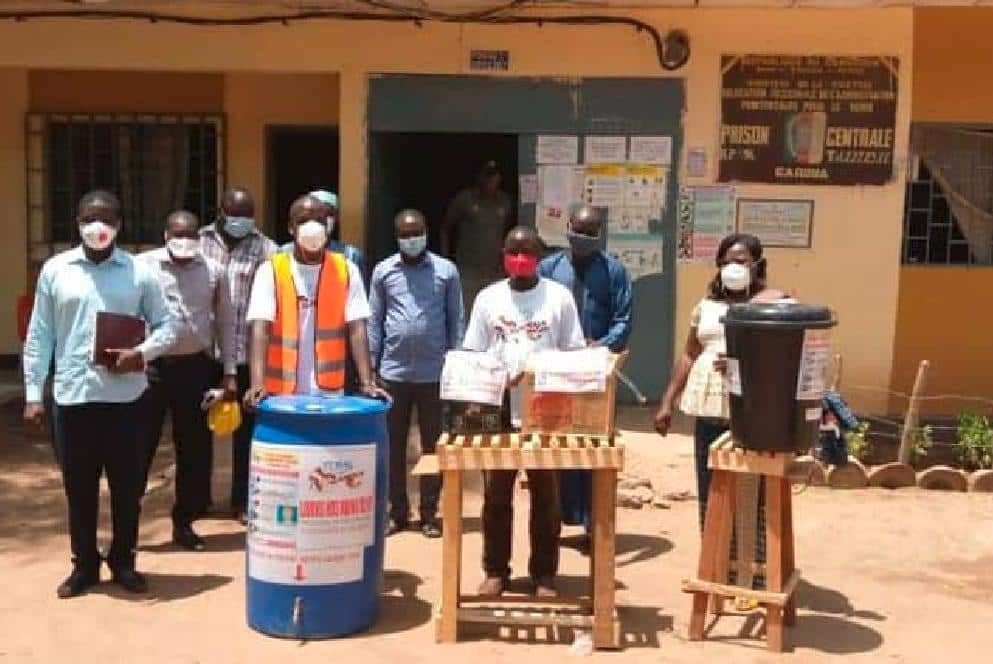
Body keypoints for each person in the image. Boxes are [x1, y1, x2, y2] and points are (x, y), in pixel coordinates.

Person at [23, 190, 177, 598]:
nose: (99, 227)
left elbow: (168, 326)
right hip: (73, 398)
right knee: (79, 489)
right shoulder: (56, 271)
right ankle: (85, 565)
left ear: (120, 225)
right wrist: (33, 394)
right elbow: (40, 335)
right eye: (90, 218)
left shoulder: (139, 273)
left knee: (128, 489)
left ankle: (123, 560)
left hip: (127, 400)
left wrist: (141, 354)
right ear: (77, 223)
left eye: (107, 219)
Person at [462, 226, 585, 598]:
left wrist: (541, 374)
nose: (519, 259)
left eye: (527, 252)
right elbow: (474, 353)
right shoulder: (488, 299)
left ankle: (544, 574)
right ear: (503, 256)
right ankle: (496, 570)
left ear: (538, 256)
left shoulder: (559, 298)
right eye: (513, 252)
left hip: (545, 411)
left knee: (546, 497)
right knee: (496, 495)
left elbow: (574, 353)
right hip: (497, 411)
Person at [654, 233, 790, 529]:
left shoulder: (775, 305)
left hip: (752, 413)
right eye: (727, 262)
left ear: (758, 264)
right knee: (711, 486)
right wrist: (667, 402)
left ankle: (752, 552)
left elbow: (786, 355)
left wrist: (744, 363)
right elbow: (690, 353)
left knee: (752, 486)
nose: (733, 268)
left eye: (741, 261)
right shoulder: (707, 306)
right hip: (709, 410)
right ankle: (712, 550)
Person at [138, 210, 237, 551]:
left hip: (195, 367)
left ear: (200, 237)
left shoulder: (214, 270)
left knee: (194, 449)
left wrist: (229, 371)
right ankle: (128, 527)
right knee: (139, 445)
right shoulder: (143, 267)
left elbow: (225, 322)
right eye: (177, 234)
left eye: (190, 234)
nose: (183, 240)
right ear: (165, 235)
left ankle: (185, 522)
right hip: (149, 368)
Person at [538, 205, 633, 546]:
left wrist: (601, 344)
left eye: (591, 233)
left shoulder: (614, 271)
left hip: (596, 370)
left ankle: (594, 525)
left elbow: (623, 319)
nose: (583, 237)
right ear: (567, 227)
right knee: (557, 444)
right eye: (578, 230)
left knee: (594, 445)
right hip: (557, 371)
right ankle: (555, 520)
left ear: (600, 234)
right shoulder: (549, 268)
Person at [243, 195, 390, 408]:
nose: (312, 227)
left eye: (320, 220)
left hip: (330, 394)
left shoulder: (346, 270)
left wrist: (367, 382)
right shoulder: (270, 271)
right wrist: (257, 384)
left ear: (328, 227)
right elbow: (260, 329)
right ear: (291, 228)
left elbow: (357, 329)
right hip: (281, 394)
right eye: (303, 220)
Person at [369, 209, 464, 539]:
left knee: (433, 447)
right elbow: (374, 322)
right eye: (405, 235)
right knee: (392, 447)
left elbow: (456, 320)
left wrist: (456, 364)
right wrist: (371, 369)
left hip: (433, 374)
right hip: (393, 373)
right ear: (397, 238)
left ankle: (428, 513)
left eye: (417, 233)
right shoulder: (383, 272)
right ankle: (397, 511)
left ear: (427, 233)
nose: (412, 239)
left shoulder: (446, 271)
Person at [200, 187, 278, 522]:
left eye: (247, 216)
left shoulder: (267, 249)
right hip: (205, 352)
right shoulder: (198, 242)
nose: (241, 222)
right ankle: (197, 498)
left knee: (247, 433)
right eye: (235, 215)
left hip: (248, 354)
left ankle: (242, 500)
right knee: (198, 431)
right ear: (221, 212)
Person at [442, 161, 514, 311]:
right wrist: (446, 260)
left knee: (495, 312)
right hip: (468, 271)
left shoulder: (505, 202)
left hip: (495, 271)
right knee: (467, 311)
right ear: (479, 177)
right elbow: (446, 229)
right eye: (487, 176)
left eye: (494, 176)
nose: (491, 181)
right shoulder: (465, 200)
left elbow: (509, 232)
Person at [279, 189, 366, 277]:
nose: (315, 223)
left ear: (336, 218)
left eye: (328, 213)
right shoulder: (283, 253)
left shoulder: (351, 255)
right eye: (310, 216)